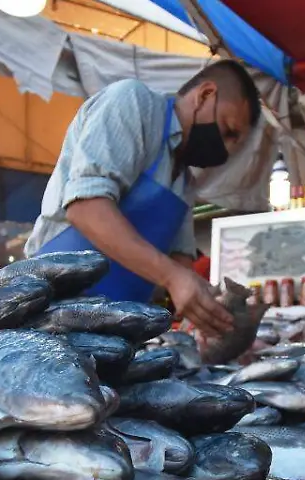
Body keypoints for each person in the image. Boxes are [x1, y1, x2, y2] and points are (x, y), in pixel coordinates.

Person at [24, 60, 262, 336]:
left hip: (115, 330)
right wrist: (173, 277)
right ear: (205, 95)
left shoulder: (185, 181)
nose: (227, 149)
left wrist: (210, 310)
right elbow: (86, 207)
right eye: (228, 130)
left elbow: (180, 264)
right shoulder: (133, 103)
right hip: (50, 313)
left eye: (236, 143)